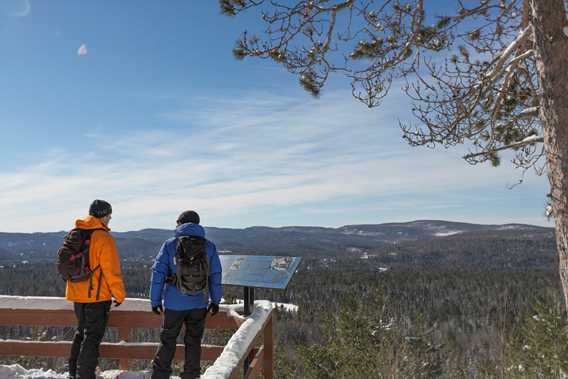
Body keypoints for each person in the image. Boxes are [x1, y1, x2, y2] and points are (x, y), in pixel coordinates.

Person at [150, 210, 222, 379]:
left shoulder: (170, 244)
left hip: (174, 303)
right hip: (198, 303)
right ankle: (191, 375)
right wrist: (215, 300)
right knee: (194, 342)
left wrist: (155, 301)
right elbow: (215, 275)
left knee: (168, 340)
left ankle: (160, 375)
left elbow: (158, 274)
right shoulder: (208, 246)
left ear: (180, 223)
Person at [65, 199, 126, 379]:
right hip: (97, 297)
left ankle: (73, 372)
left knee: (81, 333)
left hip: (77, 295)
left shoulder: (75, 233)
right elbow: (111, 271)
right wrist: (119, 294)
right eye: (109, 215)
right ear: (103, 216)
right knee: (92, 337)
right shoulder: (103, 238)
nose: (110, 218)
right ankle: (85, 374)